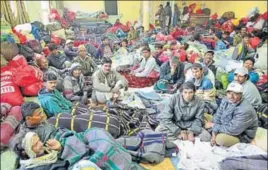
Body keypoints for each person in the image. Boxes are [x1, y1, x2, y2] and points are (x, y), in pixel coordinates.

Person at [206, 82, 258, 147]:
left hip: (240, 135)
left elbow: (233, 130)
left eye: (235, 94)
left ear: (241, 94)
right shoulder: (226, 99)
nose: (231, 96)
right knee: (204, 116)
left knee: (220, 139)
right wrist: (214, 132)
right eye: (229, 93)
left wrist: (213, 126)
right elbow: (218, 115)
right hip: (225, 125)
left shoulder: (245, 109)